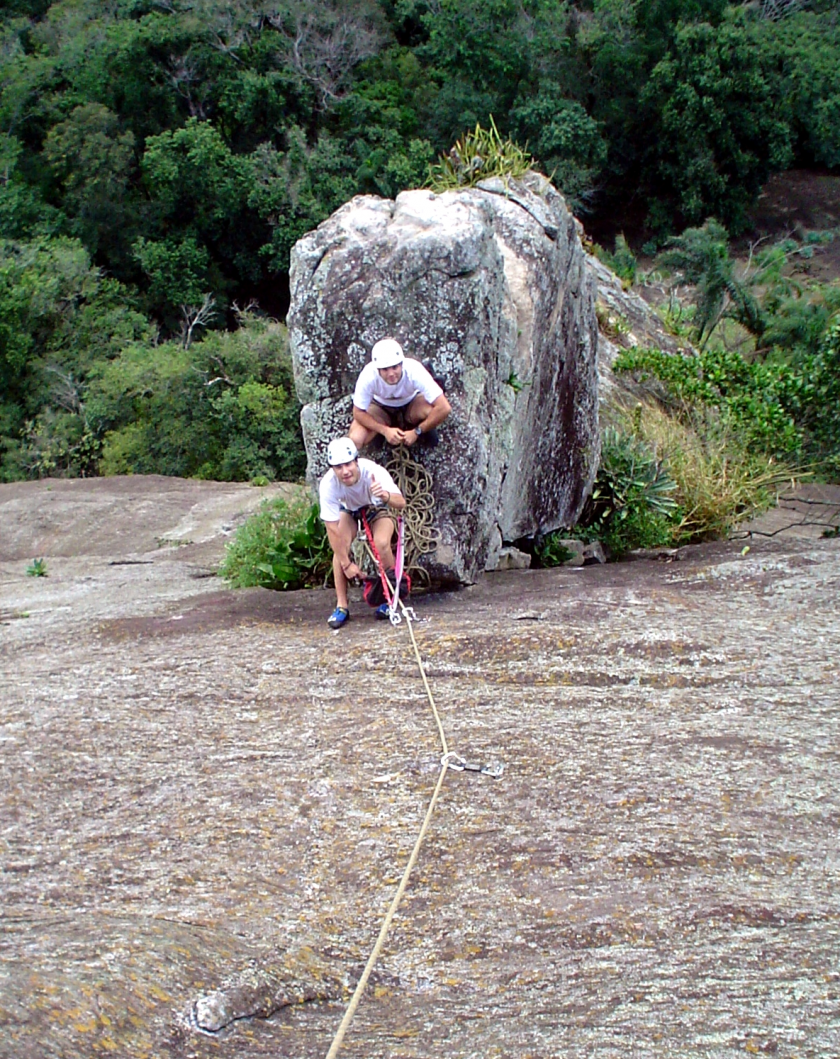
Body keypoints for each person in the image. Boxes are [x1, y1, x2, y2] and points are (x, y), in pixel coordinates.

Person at [319, 436, 406, 629]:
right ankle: (341, 605)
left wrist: (385, 495)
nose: (345, 471)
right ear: (332, 468)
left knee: (382, 542)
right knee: (339, 549)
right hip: (349, 510)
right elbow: (332, 528)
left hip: (376, 507)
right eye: (338, 467)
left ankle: (390, 597)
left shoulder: (373, 472)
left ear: (356, 461)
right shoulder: (328, 484)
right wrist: (346, 563)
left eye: (348, 464)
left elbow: (401, 503)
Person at [348, 338, 452, 452]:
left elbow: (444, 408)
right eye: (385, 369)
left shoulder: (414, 370)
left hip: (412, 402)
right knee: (356, 439)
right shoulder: (368, 376)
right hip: (380, 407)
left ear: (402, 364)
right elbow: (358, 412)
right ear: (377, 370)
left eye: (395, 367)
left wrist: (417, 431)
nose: (391, 374)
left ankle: (421, 428)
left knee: (432, 410)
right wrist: (384, 430)